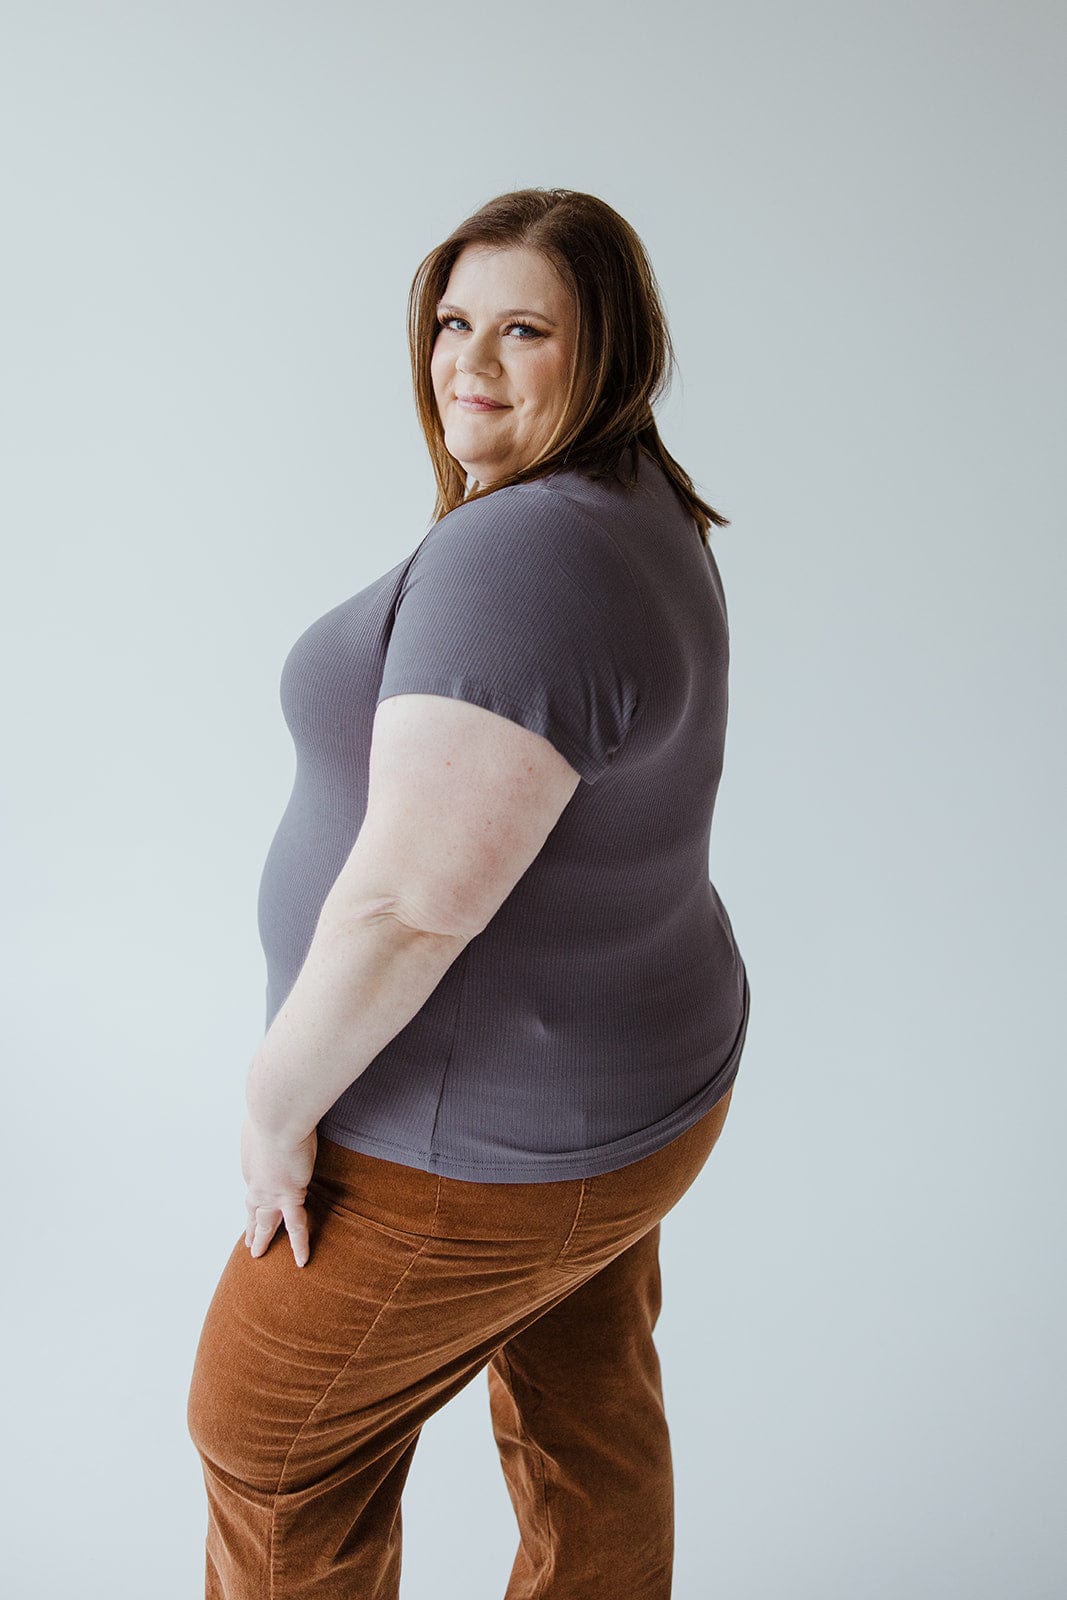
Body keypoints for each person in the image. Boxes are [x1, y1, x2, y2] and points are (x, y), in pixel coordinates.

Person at [186, 185, 751, 1600]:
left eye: (524, 331)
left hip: (466, 1154)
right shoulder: (637, 501)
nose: (469, 363)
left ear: (607, 350)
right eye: (452, 320)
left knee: (267, 1451)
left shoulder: (531, 553)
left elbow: (407, 910)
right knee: (588, 1422)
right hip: (620, 1103)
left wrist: (274, 1107)